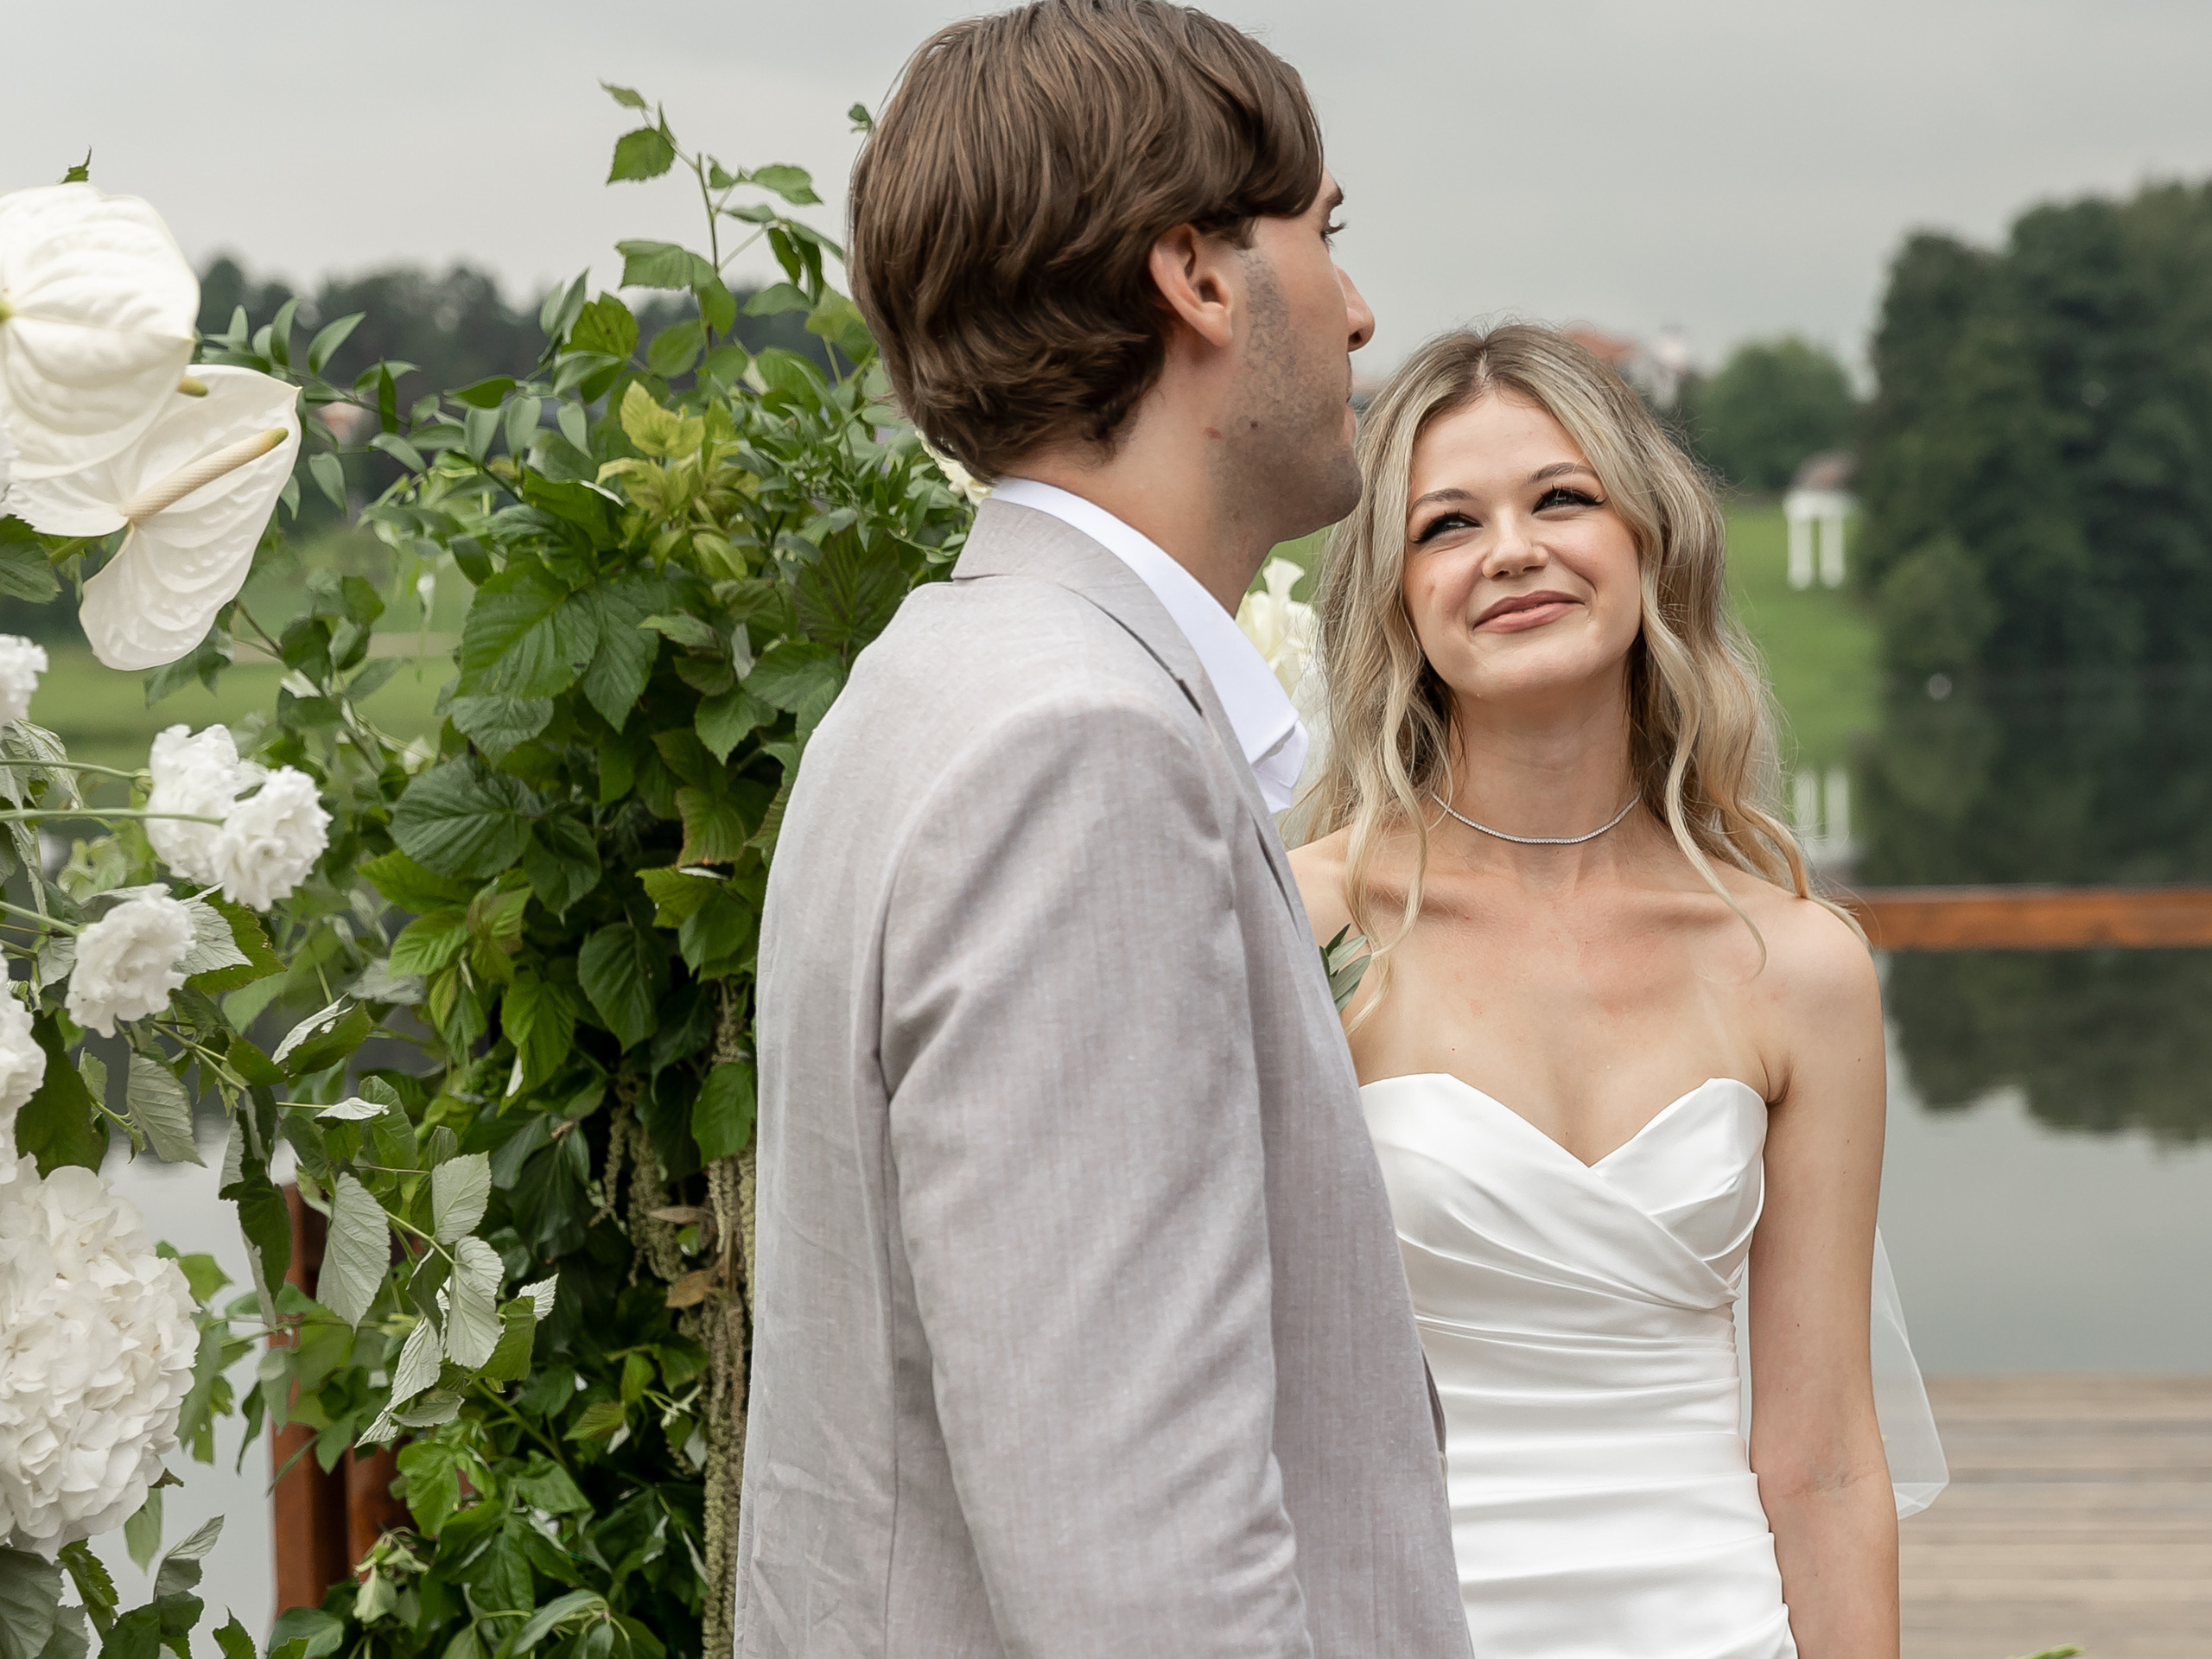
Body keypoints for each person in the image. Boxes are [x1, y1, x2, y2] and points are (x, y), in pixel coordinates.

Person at [734, 4, 1469, 1655]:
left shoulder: (932, 676)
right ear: (1197, 275)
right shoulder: (1081, 751)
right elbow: (1139, 1568)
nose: (1360, 312)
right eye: (1324, 231)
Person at [1290, 325, 1908, 1658]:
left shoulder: (1797, 966)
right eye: (1449, 524)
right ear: (1395, 597)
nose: (1512, 549)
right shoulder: (1304, 928)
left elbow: (1825, 1459)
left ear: (1649, 544)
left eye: (1561, 499)